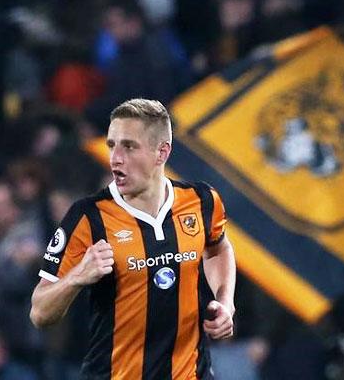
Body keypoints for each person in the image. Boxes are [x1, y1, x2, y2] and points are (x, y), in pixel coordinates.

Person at [30, 98, 236, 379]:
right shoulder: (88, 216)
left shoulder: (201, 201)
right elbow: (40, 313)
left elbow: (218, 248)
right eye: (112, 145)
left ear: (161, 152)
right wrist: (77, 276)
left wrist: (225, 301)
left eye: (129, 146)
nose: (115, 158)